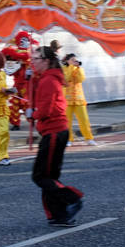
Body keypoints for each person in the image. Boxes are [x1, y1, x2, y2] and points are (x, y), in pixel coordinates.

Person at [30, 46, 84, 226]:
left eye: (36, 58)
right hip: (55, 130)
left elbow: (45, 110)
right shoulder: (47, 78)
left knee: (40, 176)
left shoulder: (48, 80)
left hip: (53, 131)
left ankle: (72, 197)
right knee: (49, 175)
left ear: (46, 61)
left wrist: (33, 113)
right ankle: (58, 215)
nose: (33, 62)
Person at [62, 53, 96, 145]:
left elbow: (81, 79)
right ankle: (69, 139)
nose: (74, 61)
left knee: (84, 119)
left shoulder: (79, 69)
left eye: (75, 60)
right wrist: (71, 67)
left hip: (79, 98)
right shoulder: (63, 69)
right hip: (67, 99)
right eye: (72, 60)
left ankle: (89, 138)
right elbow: (67, 78)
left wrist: (77, 68)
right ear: (67, 61)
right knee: (67, 121)